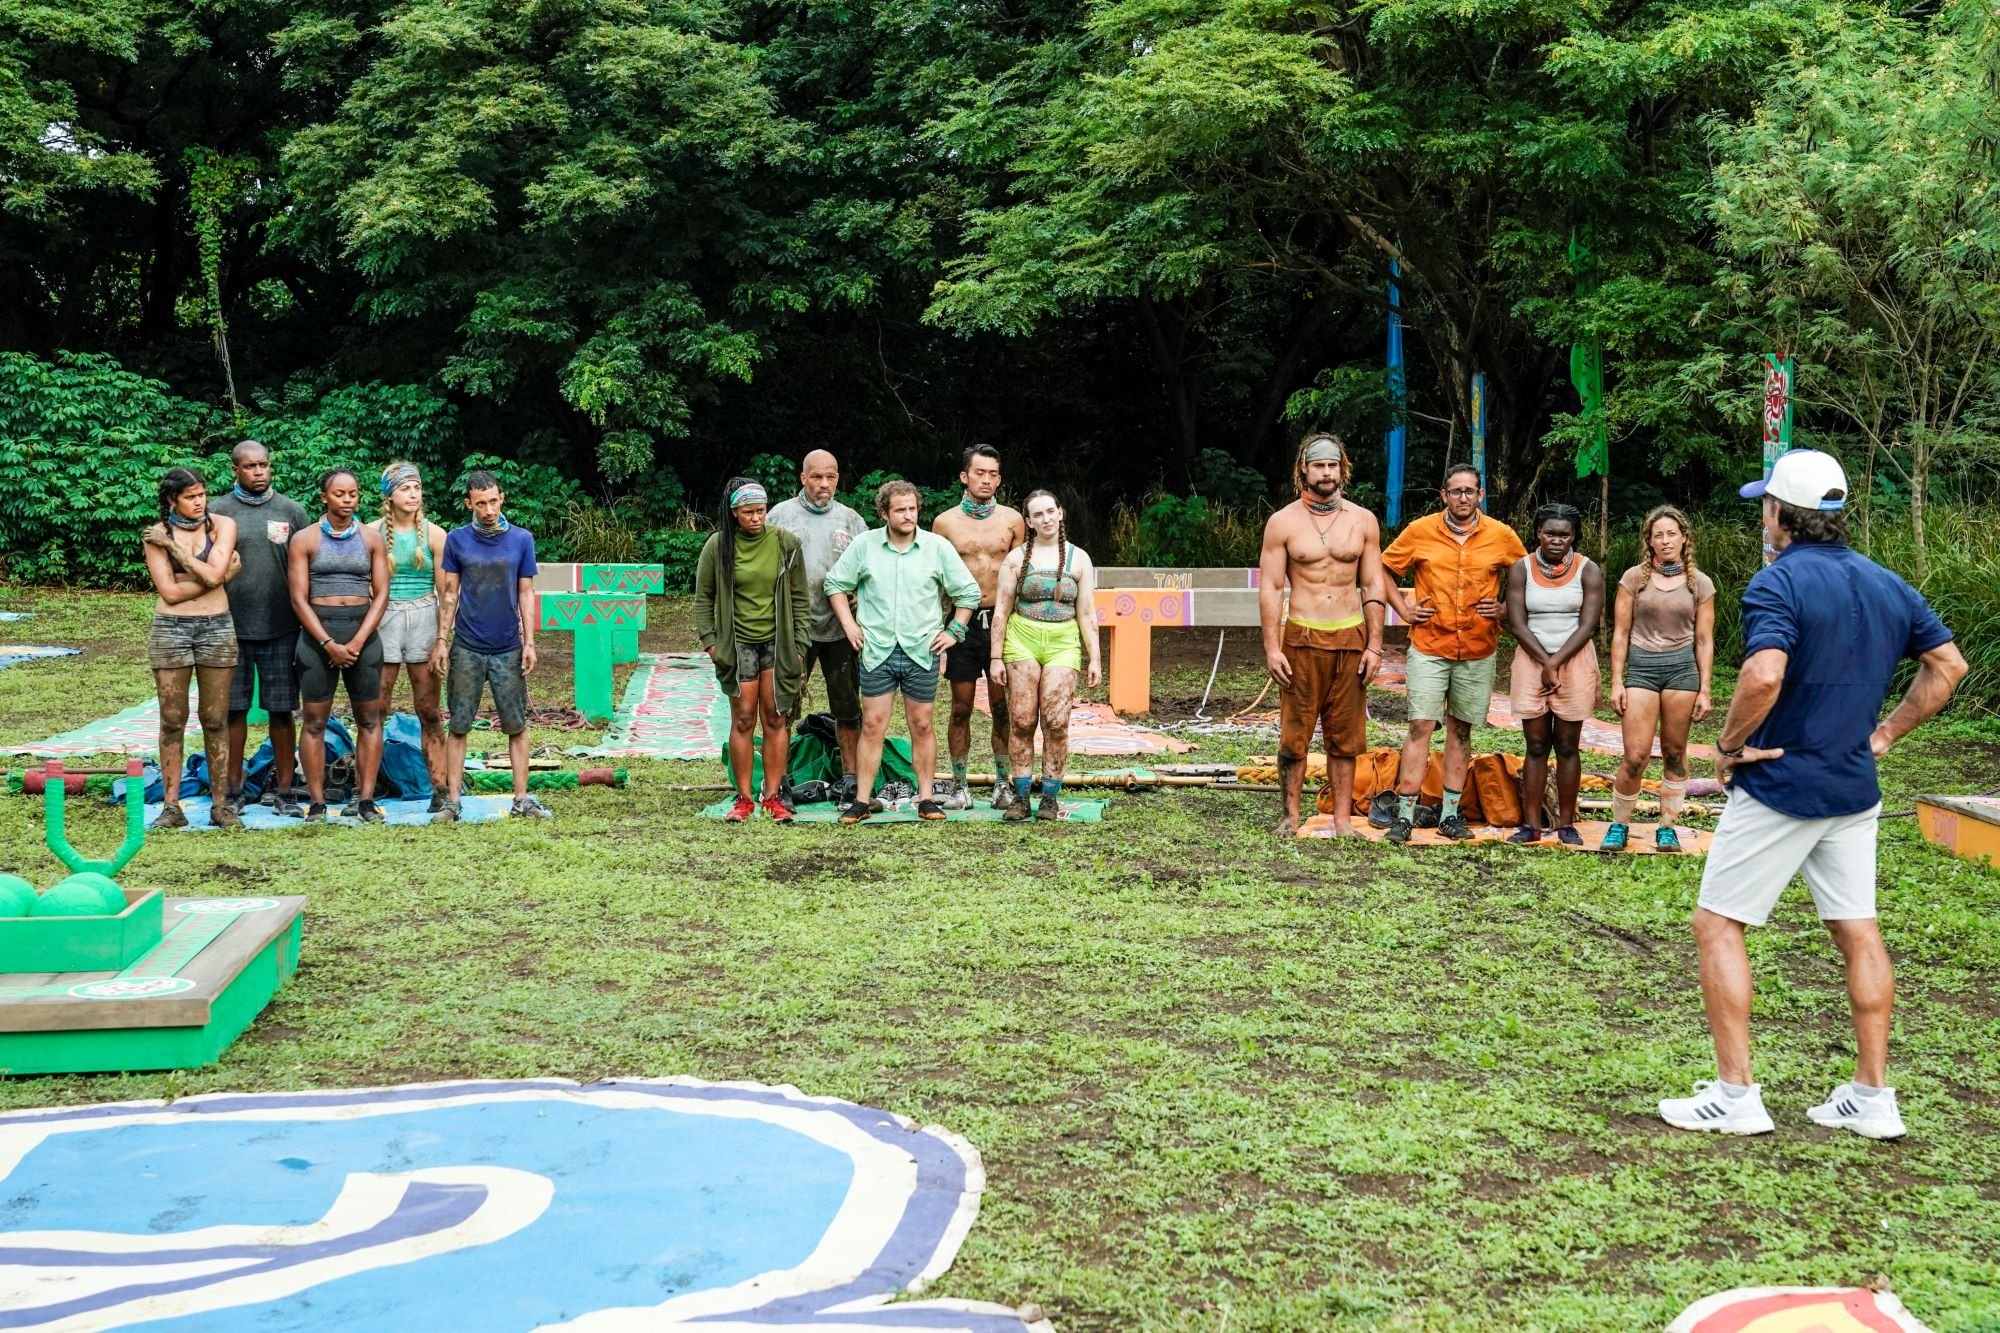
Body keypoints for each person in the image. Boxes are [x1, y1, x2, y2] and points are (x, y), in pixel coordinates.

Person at [1658, 450, 1965, 1141]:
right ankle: (1872, 1096)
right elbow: (1948, 665)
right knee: (1858, 928)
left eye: (1765, 506)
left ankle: (1736, 1095)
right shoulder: (1886, 582)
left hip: (1781, 784)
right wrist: (1885, 734)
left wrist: (1730, 744)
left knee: (1718, 923)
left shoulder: (1779, 581)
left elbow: (1764, 674)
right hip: (1854, 787)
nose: (1762, 517)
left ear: (1780, 514)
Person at [1380, 464, 1527, 843]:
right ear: (1444, 495)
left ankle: (1449, 815)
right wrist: (1404, 609)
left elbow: (1528, 578)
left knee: (1461, 730)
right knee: (1420, 726)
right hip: (1429, 644)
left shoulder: (1501, 535)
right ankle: (1404, 816)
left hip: (1478, 647)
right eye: (1456, 491)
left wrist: (1505, 609)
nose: (1463, 498)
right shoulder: (1420, 531)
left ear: (1480, 495)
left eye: (1470, 491)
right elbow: (1383, 570)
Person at [824, 479, 981, 824]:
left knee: (922, 724)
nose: (908, 515)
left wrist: (954, 630)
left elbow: (968, 592)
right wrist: (849, 625)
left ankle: (926, 799)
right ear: (884, 513)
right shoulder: (865, 545)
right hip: (877, 648)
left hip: (921, 649)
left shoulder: (936, 547)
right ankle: (861, 801)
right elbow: (835, 583)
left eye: (912, 509)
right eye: (900, 510)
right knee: (872, 724)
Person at [1257, 433, 1386, 837]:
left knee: (1345, 735)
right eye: (1319, 465)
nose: (1326, 473)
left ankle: (1342, 820)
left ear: (1342, 468)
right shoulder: (1283, 522)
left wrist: (1375, 645)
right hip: (1302, 639)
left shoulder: (1363, 520)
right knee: (1294, 734)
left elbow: (1373, 585)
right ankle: (1290, 817)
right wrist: (1272, 648)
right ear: (1304, 469)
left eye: (1332, 465)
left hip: (1350, 638)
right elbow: (1271, 588)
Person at [434, 470, 550, 821]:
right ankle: (453, 802)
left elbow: (526, 593)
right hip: (467, 646)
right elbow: (450, 593)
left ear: (502, 499)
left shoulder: (521, 539)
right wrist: (442, 641)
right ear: (469, 503)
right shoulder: (457, 540)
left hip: (508, 646)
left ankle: (522, 799)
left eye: (493, 501)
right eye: (480, 503)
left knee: (516, 724)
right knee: (459, 724)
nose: (488, 510)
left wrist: (529, 642)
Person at [696, 478, 813, 823]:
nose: (756, 518)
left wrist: (800, 646)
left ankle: (773, 796)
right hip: (738, 644)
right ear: (734, 512)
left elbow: (800, 598)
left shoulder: (785, 543)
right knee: (744, 717)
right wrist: (712, 643)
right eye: (748, 512)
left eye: (761, 511)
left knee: (775, 716)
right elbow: (703, 598)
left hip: (778, 643)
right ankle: (744, 798)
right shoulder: (718, 546)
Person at [209, 439, 311, 819]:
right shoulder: (218, 512)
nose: (258, 472)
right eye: (250, 466)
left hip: (282, 627)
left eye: (263, 465)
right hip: (229, 627)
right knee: (233, 713)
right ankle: (234, 790)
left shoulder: (291, 511)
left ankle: (285, 791)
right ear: (235, 469)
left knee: (281, 711)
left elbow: (308, 565)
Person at [990, 490, 1105, 822]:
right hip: (1022, 640)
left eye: (1050, 512)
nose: (1046, 519)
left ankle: (1050, 798)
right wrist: (996, 657)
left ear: (1060, 513)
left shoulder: (1079, 559)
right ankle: (1021, 797)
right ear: (1029, 521)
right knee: (1022, 720)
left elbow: (1087, 613)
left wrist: (1095, 658)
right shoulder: (1015, 559)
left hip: (1062, 642)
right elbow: (1001, 611)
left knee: (1056, 722)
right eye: (1038, 515)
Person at [1605, 505, 1715, 852]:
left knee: (1674, 753)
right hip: (1642, 669)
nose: (1666, 540)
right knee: (1636, 755)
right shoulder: (1634, 579)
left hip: (1682, 671)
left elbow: (1704, 640)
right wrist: (1617, 681)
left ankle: (1667, 826)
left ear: (1684, 539)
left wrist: (1705, 689)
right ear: (1649, 541)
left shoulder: (1700, 583)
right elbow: (1620, 633)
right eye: (1658, 535)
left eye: (1672, 534)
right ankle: (1619, 824)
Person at [286, 468, 390, 823]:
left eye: (353, 494)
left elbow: (382, 594)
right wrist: (328, 643)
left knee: (370, 720)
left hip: (363, 636)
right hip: (318, 637)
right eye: (339, 494)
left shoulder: (372, 539)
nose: (347, 500)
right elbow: (298, 599)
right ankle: (317, 804)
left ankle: (365, 800)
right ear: (324, 498)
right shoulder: (304, 539)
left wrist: (358, 640)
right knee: (314, 721)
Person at [767, 450, 869, 805]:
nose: (824, 484)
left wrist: (859, 595)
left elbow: (869, 568)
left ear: (838, 478)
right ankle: (778, 782)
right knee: (783, 704)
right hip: (794, 628)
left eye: (831, 477)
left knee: (847, 704)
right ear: (803, 478)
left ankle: (852, 779)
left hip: (841, 629)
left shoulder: (851, 520)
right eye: (816, 477)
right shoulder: (780, 516)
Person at [141, 468, 242, 830]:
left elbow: (212, 575)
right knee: (172, 719)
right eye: (190, 497)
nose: (199, 502)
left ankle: (221, 804)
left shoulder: (222, 525)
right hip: (171, 629)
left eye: (202, 494)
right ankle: (172, 806)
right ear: (173, 500)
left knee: (215, 718)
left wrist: (176, 550)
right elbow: (169, 592)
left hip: (217, 626)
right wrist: (220, 577)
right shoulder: (155, 535)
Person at [1502, 504, 1604, 846]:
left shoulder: (1588, 570)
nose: (1556, 540)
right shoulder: (1521, 569)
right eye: (1550, 533)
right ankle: (1531, 825)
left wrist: (1555, 662)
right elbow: (1517, 622)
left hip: (1574, 659)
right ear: (1538, 533)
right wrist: (1544, 662)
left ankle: (1566, 824)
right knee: (1535, 744)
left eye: (1564, 534)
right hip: (1532, 659)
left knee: (1567, 745)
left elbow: (1588, 625)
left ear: (1574, 536)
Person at [931, 445, 1027, 809]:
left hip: (1003, 622)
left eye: (993, 474)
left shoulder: (1012, 520)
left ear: (999, 479)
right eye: (979, 473)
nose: (986, 480)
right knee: (961, 707)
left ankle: (1003, 784)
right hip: (963, 624)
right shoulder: (945, 523)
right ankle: (959, 786)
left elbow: (1023, 573)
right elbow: (935, 578)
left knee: (1002, 708)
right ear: (964, 477)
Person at [375, 461, 452, 807]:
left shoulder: (435, 535)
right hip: (384, 616)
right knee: (376, 709)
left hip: (424, 616)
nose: (413, 494)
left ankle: (441, 790)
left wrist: (442, 639)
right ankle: (365, 790)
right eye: (405, 488)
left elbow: (446, 593)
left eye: (417, 488)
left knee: (429, 710)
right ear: (389, 495)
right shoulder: (372, 533)